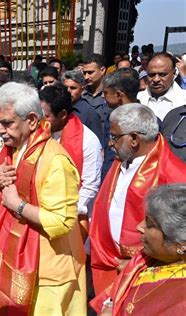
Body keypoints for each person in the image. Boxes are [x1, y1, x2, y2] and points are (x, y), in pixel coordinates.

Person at [0, 82, 86, 315]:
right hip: (16, 255)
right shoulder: (12, 150)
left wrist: (17, 205)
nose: (0, 130)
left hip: (49, 268)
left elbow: (62, 222)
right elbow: (3, 196)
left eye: (7, 123)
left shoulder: (55, 161)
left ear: (31, 120)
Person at [89, 104, 186, 295]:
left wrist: (137, 265)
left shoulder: (174, 175)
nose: (109, 143)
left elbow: (178, 240)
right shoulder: (122, 161)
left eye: (115, 137)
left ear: (134, 139)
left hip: (148, 273)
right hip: (109, 262)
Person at [91, 184, 186, 315]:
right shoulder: (142, 262)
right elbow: (115, 300)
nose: (139, 227)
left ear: (181, 245)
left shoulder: (181, 298)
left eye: (150, 224)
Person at [39, 83, 103, 242]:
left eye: (47, 116)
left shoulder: (88, 141)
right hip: (40, 211)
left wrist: (63, 213)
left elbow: (90, 185)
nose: (42, 121)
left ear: (62, 114)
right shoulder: (40, 132)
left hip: (71, 216)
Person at [137, 52, 186, 120]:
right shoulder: (137, 99)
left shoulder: (183, 99)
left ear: (174, 74)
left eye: (162, 74)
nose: (156, 79)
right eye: (152, 75)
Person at [63, 70, 103, 142]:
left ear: (83, 89)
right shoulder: (59, 108)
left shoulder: (90, 113)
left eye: (73, 88)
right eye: (65, 88)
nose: (68, 91)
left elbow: (97, 142)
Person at [82, 54, 112, 132]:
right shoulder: (80, 93)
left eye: (90, 73)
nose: (86, 77)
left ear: (102, 70)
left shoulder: (111, 94)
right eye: (84, 73)